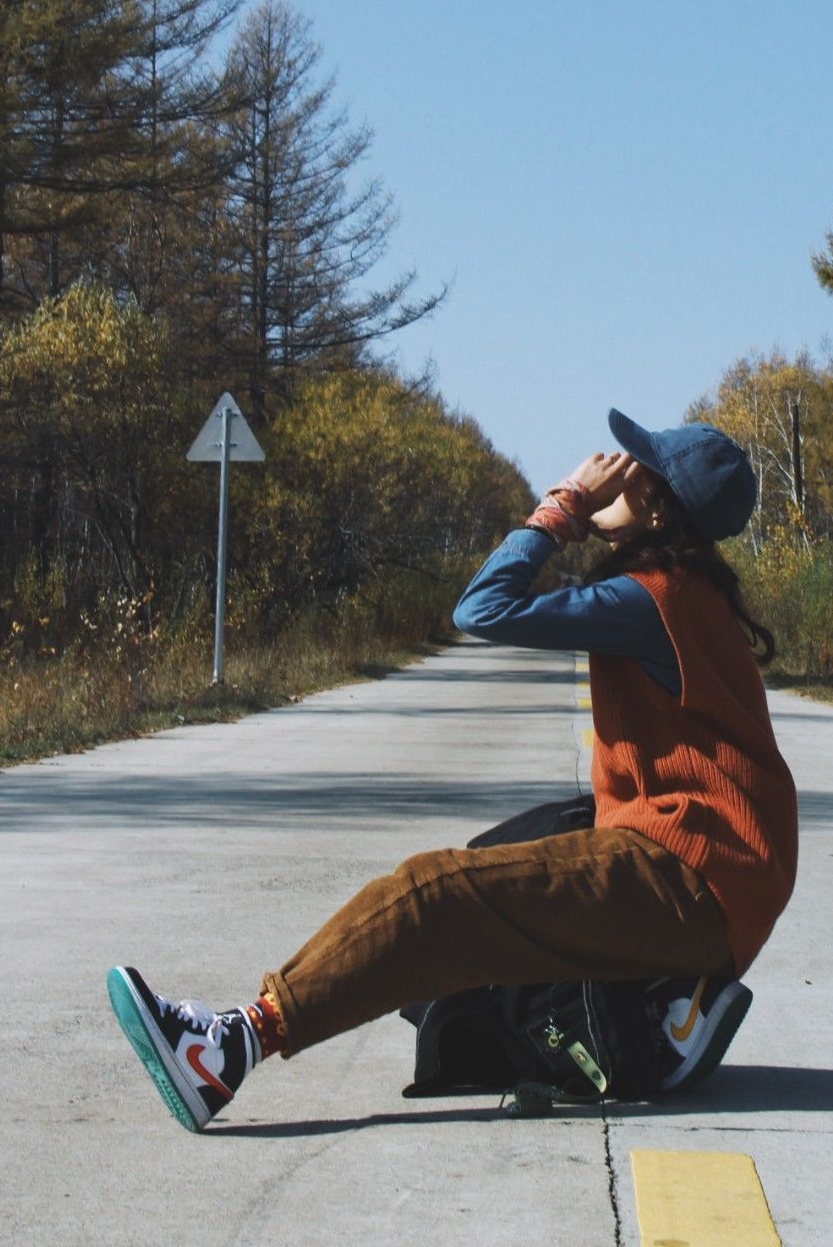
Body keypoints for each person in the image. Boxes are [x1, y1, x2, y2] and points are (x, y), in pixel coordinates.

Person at [107, 408, 798, 1132]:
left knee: (437, 893)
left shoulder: (650, 597)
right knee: (494, 864)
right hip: (711, 876)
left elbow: (481, 609)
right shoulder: (681, 591)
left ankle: (231, 1045)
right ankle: (656, 1005)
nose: (608, 465)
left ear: (657, 507)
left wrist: (562, 505)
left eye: (632, 465)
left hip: (693, 877)